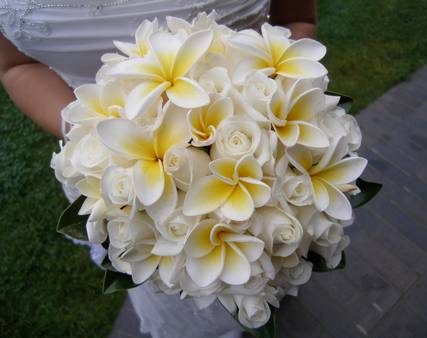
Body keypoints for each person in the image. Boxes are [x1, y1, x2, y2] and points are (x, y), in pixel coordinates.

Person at [0, 1, 318, 337]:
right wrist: (91, 138)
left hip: (265, 130)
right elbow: (15, 66)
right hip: (115, 173)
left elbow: (297, 19)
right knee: (178, 290)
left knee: (269, 260)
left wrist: (271, 115)